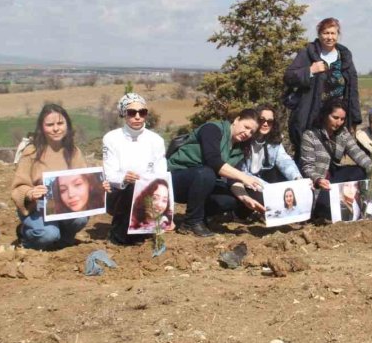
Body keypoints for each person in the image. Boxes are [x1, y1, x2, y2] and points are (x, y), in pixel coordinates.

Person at [167, 108, 265, 237]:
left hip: (203, 183)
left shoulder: (239, 149)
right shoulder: (212, 129)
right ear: (236, 120)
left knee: (230, 200)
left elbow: (233, 179)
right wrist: (244, 177)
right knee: (206, 173)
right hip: (176, 179)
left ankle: (202, 218)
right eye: (246, 127)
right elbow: (214, 162)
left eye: (251, 132)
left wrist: (245, 198)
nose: (247, 133)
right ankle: (191, 222)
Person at [11, 104, 92, 250]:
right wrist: (30, 193)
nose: (56, 128)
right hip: (38, 207)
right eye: (50, 124)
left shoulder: (73, 151)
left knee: (80, 219)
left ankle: (64, 239)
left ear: (67, 125)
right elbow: (18, 187)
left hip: (66, 205)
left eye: (60, 123)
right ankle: (26, 236)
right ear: (42, 127)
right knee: (48, 234)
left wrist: (98, 186)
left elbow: (85, 180)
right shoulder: (31, 152)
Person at [284, 18, 362, 156]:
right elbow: (289, 77)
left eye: (333, 33)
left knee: (332, 155)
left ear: (338, 35)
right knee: (308, 155)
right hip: (310, 115)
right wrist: (310, 70)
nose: (329, 37)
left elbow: (352, 90)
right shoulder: (308, 53)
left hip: (336, 118)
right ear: (319, 34)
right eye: (326, 33)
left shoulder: (345, 57)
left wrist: (354, 119)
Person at [102, 92, 168, 245]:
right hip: (118, 193)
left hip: (148, 193)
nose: (137, 116)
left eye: (142, 112)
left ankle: (142, 229)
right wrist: (124, 178)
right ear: (124, 114)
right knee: (132, 188)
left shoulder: (156, 140)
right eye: (132, 113)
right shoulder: (111, 138)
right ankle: (118, 234)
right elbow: (110, 173)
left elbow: (161, 172)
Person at [300, 98, 372, 220]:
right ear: (325, 115)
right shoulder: (309, 136)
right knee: (326, 209)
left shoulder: (343, 133)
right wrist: (318, 179)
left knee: (360, 170)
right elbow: (307, 167)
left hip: (334, 176)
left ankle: (357, 204)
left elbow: (357, 153)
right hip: (319, 182)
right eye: (335, 118)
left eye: (342, 119)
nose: (339, 122)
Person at [229, 104, 302, 212]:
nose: (265, 123)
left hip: (263, 180)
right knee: (266, 199)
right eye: (262, 120)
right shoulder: (244, 139)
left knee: (283, 178)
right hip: (246, 183)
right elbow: (242, 172)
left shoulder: (274, 140)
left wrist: (297, 178)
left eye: (270, 121)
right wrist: (269, 189)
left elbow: (284, 161)